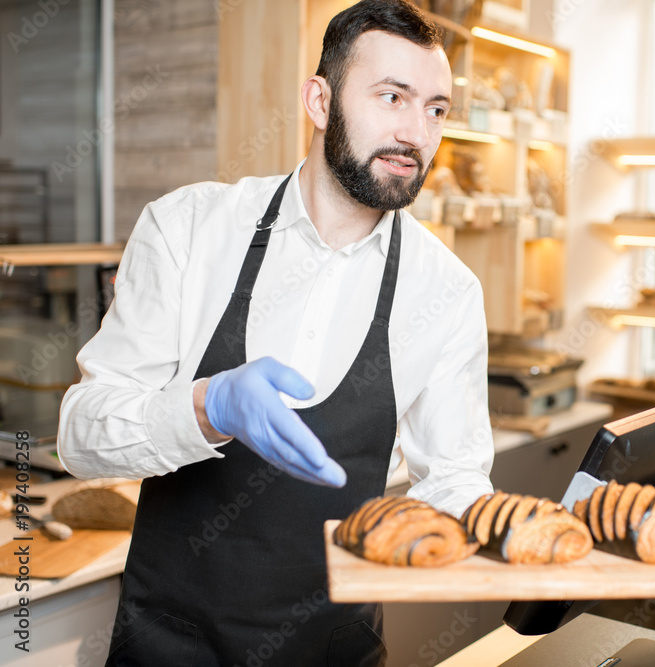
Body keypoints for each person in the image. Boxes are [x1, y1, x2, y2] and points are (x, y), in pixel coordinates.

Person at [57, 1, 494, 665]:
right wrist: (206, 406)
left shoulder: (447, 291)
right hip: (170, 647)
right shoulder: (189, 229)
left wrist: (513, 547)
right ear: (318, 100)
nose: (415, 132)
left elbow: (455, 482)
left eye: (436, 109)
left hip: (336, 649)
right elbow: (78, 436)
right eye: (392, 97)